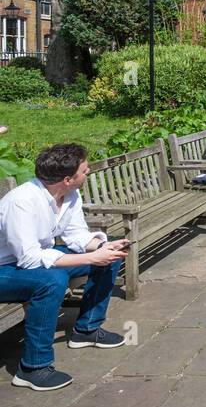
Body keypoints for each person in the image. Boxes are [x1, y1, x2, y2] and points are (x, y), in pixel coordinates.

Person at [0, 143, 129, 391]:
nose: (88, 171)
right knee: (52, 281)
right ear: (68, 179)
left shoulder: (69, 195)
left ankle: (87, 329)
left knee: (110, 256)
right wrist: (91, 258)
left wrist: (101, 247)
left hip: (32, 259)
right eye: (84, 170)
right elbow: (28, 258)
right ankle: (33, 369)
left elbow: (77, 236)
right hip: (7, 268)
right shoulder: (22, 202)